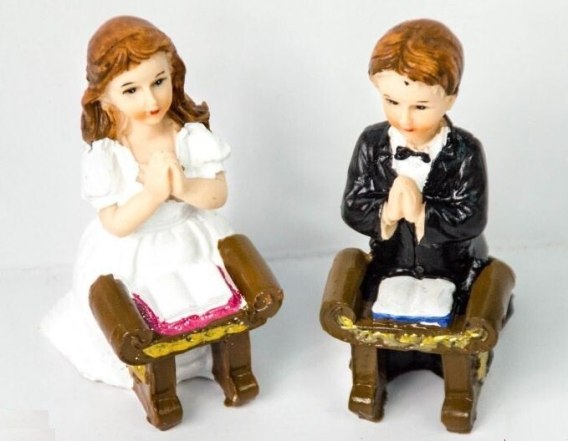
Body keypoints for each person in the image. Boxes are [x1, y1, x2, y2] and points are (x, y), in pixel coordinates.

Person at [41, 16, 243, 387]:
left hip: (191, 238)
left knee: (210, 292)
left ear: (173, 74)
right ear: (105, 96)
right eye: (131, 90)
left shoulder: (189, 135)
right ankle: (154, 373)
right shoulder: (108, 153)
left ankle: (212, 357)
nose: (151, 100)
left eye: (159, 82)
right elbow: (115, 223)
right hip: (133, 251)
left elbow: (218, 194)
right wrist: (153, 195)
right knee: (142, 308)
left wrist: (182, 187)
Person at [341, 19, 489, 317]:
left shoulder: (465, 151)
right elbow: (353, 206)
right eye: (392, 101)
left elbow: (472, 217)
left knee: (442, 309)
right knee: (386, 309)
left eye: (420, 106)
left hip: (451, 266)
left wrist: (422, 212)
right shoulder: (372, 143)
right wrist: (387, 211)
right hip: (390, 263)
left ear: (451, 98)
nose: (404, 118)